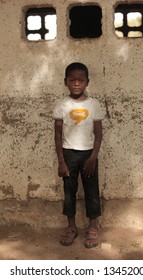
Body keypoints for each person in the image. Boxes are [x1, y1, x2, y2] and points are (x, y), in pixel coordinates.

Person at [52, 62, 104, 248]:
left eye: (80, 80)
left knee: (91, 191)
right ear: (65, 81)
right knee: (69, 192)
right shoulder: (62, 105)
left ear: (87, 82)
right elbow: (57, 134)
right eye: (72, 80)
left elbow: (98, 134)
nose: (76, 83)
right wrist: (61, 161)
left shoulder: (94, 104)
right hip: (68, 155)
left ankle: (92, 226)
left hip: (89, 155)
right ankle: (71, 227)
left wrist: (92, 157)